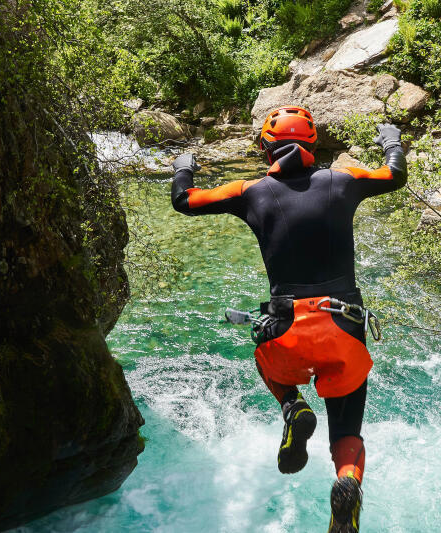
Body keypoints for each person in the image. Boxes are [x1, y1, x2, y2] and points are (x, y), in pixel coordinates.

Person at [171, 106, 407, 533]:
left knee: (262, 351)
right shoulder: (345, 179)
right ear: (313, 145)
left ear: (266, 148)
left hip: (288, 327)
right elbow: (394, 176)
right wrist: (391, 141)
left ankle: (292, 406)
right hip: (344, 327)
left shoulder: (250, 191)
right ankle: (347, 482)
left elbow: (184, 201)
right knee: (347, 431)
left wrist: (183, 167)